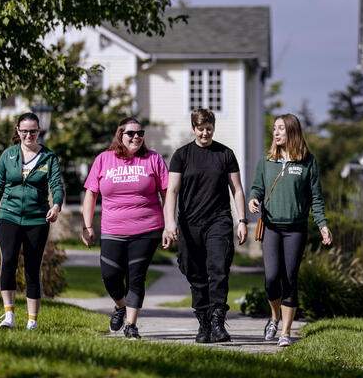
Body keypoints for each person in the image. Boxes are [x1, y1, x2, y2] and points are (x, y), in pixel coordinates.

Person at [163, 108, 247, 343]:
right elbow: (172, 191)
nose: (205, 133)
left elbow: (237, 189)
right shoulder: (182, 155)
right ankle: (204, 323)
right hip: (190, 223)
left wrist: (242, 220)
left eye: (209, 128)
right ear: (193, 129)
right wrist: (169, 223)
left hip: (218, 220)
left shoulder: (225, 154)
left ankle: (218, 322)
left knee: (218, 270)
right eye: (200, 129)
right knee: (195, 273)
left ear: (213, 127)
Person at [248, 113, 332, 347]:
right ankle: (274, 316)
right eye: (274, 128)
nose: (276, 133)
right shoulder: (266, 160)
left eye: (281, 129)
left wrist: (322, 224)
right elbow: (257, 188)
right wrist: (253, 200)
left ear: (292, 132)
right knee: (271, 279)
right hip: (272, 228)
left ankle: (285, 331)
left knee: (290, 279)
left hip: (296, 230)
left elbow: (316, 198)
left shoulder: (307, 161)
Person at [81, 118, 168, 340]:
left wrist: (169, 225)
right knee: (110, 276)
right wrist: (87, 226)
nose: (136, 137)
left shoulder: (153, 159)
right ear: (120, 135)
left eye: (140, 133)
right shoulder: (104, 159)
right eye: (131, 133)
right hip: (112, 229)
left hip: (147, 228)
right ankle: (120, 306)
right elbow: (91, 193)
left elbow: (167, 194)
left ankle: (131, 325)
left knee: (136, 278)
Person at [0, 112, 64, 331]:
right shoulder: (8, 156)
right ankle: (8, 316)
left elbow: (57, 186)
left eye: (33, 131)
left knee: (32, 266)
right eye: (25, 131)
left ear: (39, 131)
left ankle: (32, 320)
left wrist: (56, 206)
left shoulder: (48, 157)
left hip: (37, 218)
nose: (29, 135)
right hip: (8, 216)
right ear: (17, 131)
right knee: (8, 261)